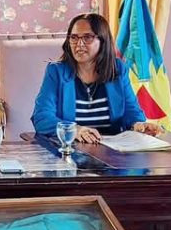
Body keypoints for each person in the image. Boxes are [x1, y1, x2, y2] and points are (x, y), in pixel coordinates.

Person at [31, 13, 161, 144]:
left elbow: (131, 111)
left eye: (87, 37)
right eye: (74, 37)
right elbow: (41, 118)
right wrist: (74, 130)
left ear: (103, 41)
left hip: (114, 149)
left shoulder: (118, 69)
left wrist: (138, 125)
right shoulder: (56, 71)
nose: (79, 44)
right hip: (71, 149)